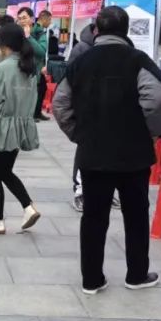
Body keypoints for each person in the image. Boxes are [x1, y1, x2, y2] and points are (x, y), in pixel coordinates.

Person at [53, 5, 161, 296]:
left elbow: (60, 103)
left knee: (93, 217)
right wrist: (149, 133)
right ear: (126, 29)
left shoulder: (80, 62)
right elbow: (156, 100)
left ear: (96, 29)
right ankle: (137, 274)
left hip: (93, 153)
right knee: (136, 215)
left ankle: (92, 279)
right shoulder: (138, 60)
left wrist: (79, 134)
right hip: (134, 155)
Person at [0, 22, 42, 234]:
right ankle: (28, 207)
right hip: (19, 126)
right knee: (4, 171)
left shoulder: (3, 68)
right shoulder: (30, 68)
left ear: (3, 44)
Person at [64, 20, 98, 210]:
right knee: (86, 150)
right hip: (87, 109)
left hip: (110, 112)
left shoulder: (120, 48)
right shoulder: (82, 48)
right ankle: (80, 191)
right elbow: (69, 80)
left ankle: (103, 192)